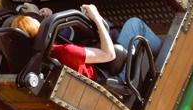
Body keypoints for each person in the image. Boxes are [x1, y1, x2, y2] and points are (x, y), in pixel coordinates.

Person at [11, 6, 162, 81]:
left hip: (97, 68)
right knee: (134, 24)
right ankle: (163, 54)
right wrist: (97, 18)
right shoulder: (64, 51)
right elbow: (109, 54)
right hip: (114, 76)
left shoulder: (29, 59)